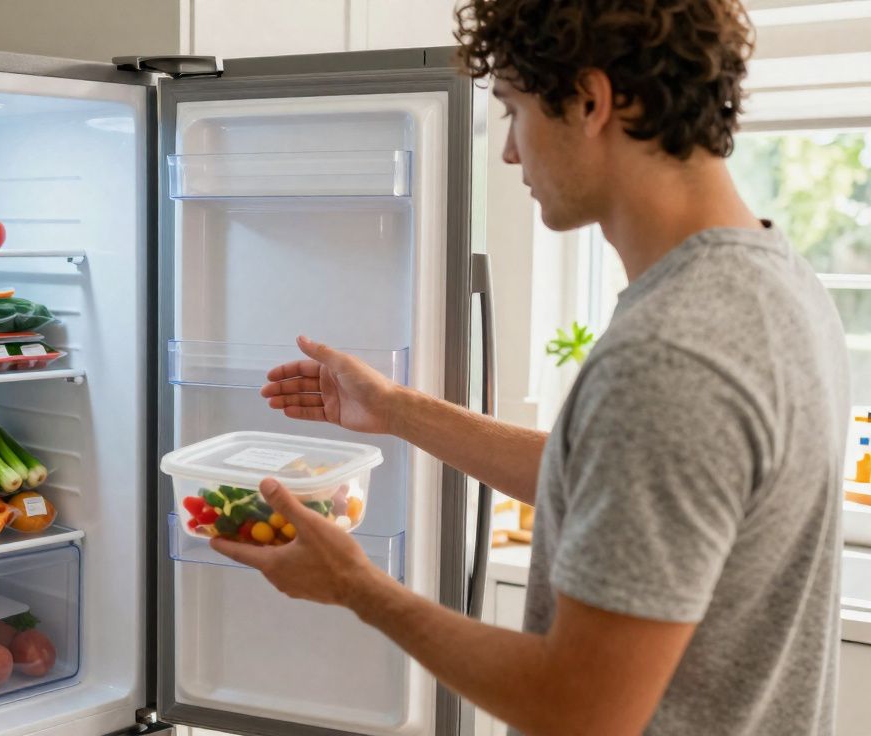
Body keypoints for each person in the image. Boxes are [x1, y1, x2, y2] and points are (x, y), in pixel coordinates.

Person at [212, 1, 851, 733]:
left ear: (589, 101)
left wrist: (358, 587)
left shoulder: (671, 356)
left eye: (513, 111)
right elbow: (617, 480)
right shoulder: (776, 279)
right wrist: (394, 410)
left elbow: (579, 708)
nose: (510, 152)